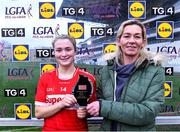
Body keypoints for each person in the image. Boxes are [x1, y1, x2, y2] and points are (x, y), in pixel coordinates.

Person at [87, 19, 165, 131]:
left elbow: (148, 112)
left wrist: (103, 107)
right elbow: (97, 101)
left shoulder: (155, 70)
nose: (132, 41)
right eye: (127, 36)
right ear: (118, 41)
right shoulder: (107, 70)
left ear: (143, 42)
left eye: (137, 37)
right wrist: (82, 104)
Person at [35, 34, 96, 131]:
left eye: (68, 49)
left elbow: (93, 109)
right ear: (54, 53)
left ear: (75, 52)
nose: (64, 54)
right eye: (59, 50)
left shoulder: (87, 79)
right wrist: (61, 104)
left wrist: (86, 112)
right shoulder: (45, 77)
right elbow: (38, 113)